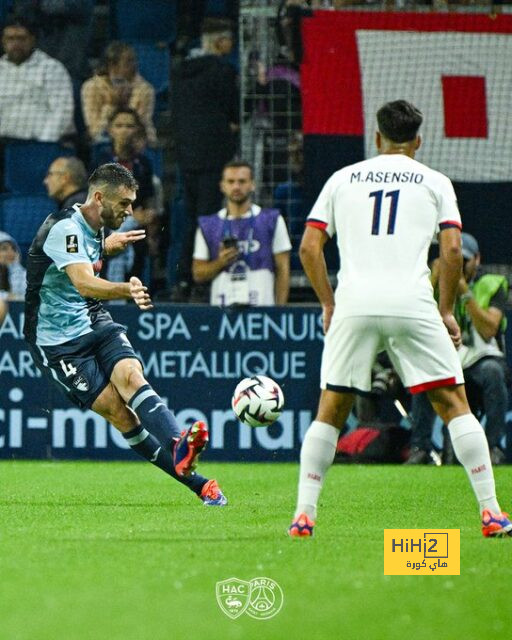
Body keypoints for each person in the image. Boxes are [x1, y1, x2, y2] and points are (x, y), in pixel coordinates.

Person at [289, 100, 512, 538]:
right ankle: (491, 513)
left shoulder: (342, 179)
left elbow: (309, 249)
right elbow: (451, 251)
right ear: (418, 141)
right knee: (454, 404)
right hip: (411, 302)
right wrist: (445, 310)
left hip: (354, 302)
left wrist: (328, 303)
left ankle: (304, 515)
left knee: (331, 410)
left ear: (376, 138)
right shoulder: (435, 182)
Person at [24, 163, 226, 506]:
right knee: (119, 412)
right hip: (57, 342)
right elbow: (83, 281)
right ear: (99, 197)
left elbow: (85, 259)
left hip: (92, 318)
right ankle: (198, 484)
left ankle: (179, 445)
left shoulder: (96, 227)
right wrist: (125, 290)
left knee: (131, 377)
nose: (130, 210)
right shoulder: (63, 228)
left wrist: (105, 247)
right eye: (124, 203)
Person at [407, 232, 510, 465]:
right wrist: (434, 279)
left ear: (477, 259)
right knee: (423, 371)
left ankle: (492, 447)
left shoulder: (491, 284)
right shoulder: (434, 283)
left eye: (464, 261)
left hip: (481, 360)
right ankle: (420, 448)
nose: (459, 266)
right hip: (447, 360)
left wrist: (463, 290)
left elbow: (489, 329)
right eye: (454, 261)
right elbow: (414, 317)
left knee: (493, 372)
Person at [171, 17, 239, 301]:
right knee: (209, 219)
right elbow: (236, 111)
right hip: (213, 158)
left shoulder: (180, 71)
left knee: (192, 219)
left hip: (186, 157)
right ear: (221, 42)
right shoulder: (222, 72)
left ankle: (183, 280)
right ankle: (202, 282)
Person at [192, 160, 291, 306]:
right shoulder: (208, 225)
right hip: (223, 310)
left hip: (262, 308)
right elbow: (198, 273)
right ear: (222, 186)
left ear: (252, 184)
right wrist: (220, 262)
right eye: (231, 182)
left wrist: (279, 311)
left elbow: (283, 269)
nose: (236, 187)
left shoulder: (272, 220)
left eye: (242, 181)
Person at [0, 16, 74, 142]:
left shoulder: (52, 68)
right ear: (3, 41)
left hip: (41, 143)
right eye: (10, 39)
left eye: (21, 38)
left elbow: (62, 112)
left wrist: (43, 142)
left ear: (32, 40)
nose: (16, 44)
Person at [81, 41, 157, 146]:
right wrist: (111, 106)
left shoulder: (145, 89)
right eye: (129, 62)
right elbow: (94, 129)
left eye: (134, 60)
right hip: (104, 143)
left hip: (136, 143)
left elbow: (142, 124)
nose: (135, 65)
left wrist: (126, 106)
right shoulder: (91, 87)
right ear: (112, 65)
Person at [0, 231, 26, 300]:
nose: (11, 252)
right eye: (4, 249)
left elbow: (21, 295)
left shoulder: (22, 273)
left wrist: (15, 268)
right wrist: (6, 296)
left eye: (13, 249)